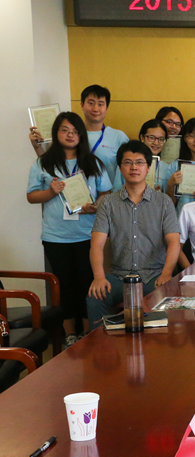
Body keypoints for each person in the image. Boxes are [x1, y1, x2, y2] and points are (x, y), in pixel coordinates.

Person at [27, 112, 112, 347]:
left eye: (75, 131)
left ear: (81, 135)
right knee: (64, 286)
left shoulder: (93, 163)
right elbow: (31, 196)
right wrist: (51, 192)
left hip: (88, 235)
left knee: (87, 283)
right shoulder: (44, 163)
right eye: (65, 130)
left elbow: (106, 193)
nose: (70, 135)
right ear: (56, 133)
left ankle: (87, 333)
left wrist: (96, 207)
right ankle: (69, 335)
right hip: (56, 236)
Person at [86, 141, 181, 329]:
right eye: (128, 163)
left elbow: (174, 242)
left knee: (167, 302)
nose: (134, 167)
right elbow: (96, 244)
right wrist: (99, 276)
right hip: (119, 276)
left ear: (148, 167)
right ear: (120, 168)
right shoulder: (108, 203)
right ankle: (102, 345)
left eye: (139, 162)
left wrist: (167, 274)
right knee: (95, 297)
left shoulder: (164, 202)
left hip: (154, 276)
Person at [79, 85, 129, 186]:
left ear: (106, 108)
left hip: (110, 194)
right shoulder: (73, 135)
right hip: (77, 193)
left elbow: (127, 169)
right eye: (91, 103)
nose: (95, 109)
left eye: (100, 104)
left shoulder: (119, 137)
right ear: (82, 105)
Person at [112, 119, 171, 192]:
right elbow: (116, 190)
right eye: (151, 138)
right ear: (142, 138)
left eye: (161, 139)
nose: (156, 143)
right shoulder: (127, 161)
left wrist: (159, 196)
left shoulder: (167, 168)